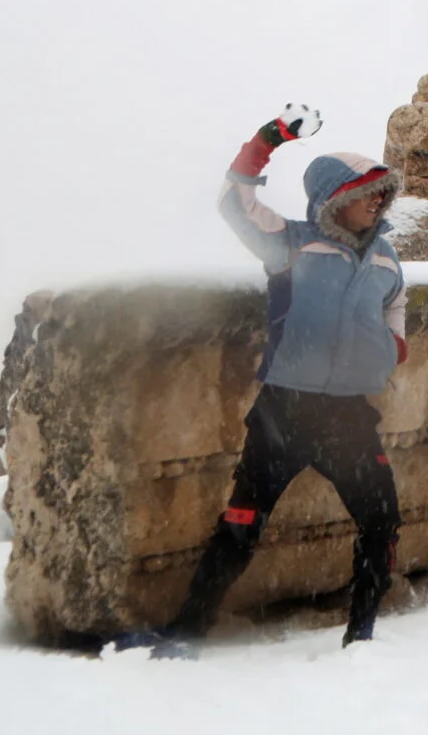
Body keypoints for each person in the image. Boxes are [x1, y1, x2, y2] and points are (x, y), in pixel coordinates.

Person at [134, 107, 409, 656]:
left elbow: (395, 307)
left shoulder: (385, 256)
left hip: (350, 416)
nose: (378, 200)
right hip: (284, 410)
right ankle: (186, 633)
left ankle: (361, 638)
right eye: (368, 191)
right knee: (242, 523)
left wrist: (391, 348)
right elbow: (233, 202)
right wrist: (269, 139)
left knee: (382, 522)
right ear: (336, 197)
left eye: (384, 192)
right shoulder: (291, 243)